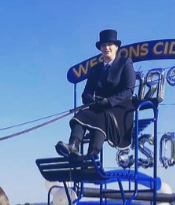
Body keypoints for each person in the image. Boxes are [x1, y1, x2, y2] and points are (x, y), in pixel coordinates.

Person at [55, 29, 137, 157]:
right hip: (100, 107)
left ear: (116, 47)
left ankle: (92, 154)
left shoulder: (125, 63)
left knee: (102, 117)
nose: (106, 48)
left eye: (110, 45)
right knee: (82, 114)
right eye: (103, 45)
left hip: (120, 108)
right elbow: (86, 92)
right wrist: (91, 100)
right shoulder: (96, 69)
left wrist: (109, 101)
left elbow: (129, 90)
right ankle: (73, 146)